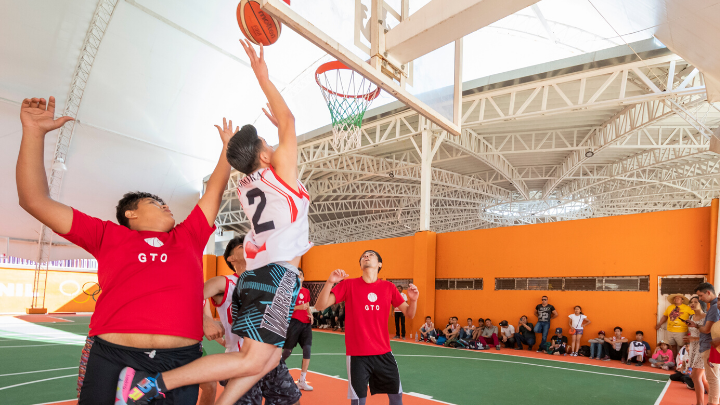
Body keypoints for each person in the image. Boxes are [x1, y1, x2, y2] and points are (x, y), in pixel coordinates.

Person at [118, 40, 313, 405]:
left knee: (267, 360)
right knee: (254, 358)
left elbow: (267, 142)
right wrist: (264, 79)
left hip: (258, 276)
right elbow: (288, 120)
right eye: (269, 144)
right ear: (267, 154)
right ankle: (155, 384)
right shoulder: (275, 176)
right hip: (276, 276)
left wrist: (237, 145)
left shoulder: (247, 182)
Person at [16, 92, 233, 404]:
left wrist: (226, 150)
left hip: (180, 362)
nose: (166, 206)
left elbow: (215, 189)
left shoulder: (189, 235)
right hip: (112, 357)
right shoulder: (107, 235)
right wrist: (34, 133)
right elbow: (34, 200)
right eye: (156, 202)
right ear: (130, 214)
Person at [204, 235, 302, 405]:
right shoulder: (225, 282)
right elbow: (193, 296)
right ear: (231, 258)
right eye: (242, 246)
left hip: (270, 359)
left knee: (292, 401)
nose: (250, 246)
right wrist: (205, 319)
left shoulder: (268, 280)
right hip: (240, 360)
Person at [314, 250, 418, 405]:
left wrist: (414, 300)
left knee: (397, 398)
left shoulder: (389, 287)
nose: (366, 256)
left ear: (380, 264)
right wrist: (330, 282)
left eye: (371, 255)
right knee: (358, 402)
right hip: (357, 355)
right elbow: (319, 305)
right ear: (361, 264)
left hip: (384, 353)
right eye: (363, 256)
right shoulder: (348, 285)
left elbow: (409, 314)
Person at [281, 268, 314, 391]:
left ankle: (302, 381)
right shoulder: (288, 291)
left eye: (301, 274)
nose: (299, 276)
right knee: (287, 351)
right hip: (293, 323)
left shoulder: (306, 291)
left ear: (303, 278)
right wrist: (299, 307)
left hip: (305, 324)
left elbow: (308, 306)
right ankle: (272, 367)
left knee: (307, 350)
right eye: (296, 275)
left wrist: (311, 315)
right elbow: (285, 309)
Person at [688, 282, 719, 405]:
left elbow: (706, 330)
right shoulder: (714, 307)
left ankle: (711, 403)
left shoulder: (714, 307)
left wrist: (698, 327)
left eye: (700, 297)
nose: (699, 299)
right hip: (706, 346)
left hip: (709, 347)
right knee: (706, 378)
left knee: (711, 379)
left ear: (708, 292)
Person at [684, 295, 708, 405]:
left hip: (703, 348)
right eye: (691, 302)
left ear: (702, 304)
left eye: (695, 302)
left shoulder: (707, 317)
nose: (692, 304)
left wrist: (693, 338)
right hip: (693, 348)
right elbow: (692, 333)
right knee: (701, 379)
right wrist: (690, 339)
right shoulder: (691, 317)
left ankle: (700, 404)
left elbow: (710, 335)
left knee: (695, 376)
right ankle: (716, 400)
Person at [656, 293, 694, 358]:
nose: (677, 299)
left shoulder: (687, 308)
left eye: (679, 298)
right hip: (670, 330)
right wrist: (659, 324)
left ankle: (682, 361)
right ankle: (673, 361)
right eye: (675, 298)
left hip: (681, 330)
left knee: (682, 346)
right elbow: (665, 316)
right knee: (672, 346)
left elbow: (694, 316)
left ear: (682, 300)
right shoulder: (670, 307)